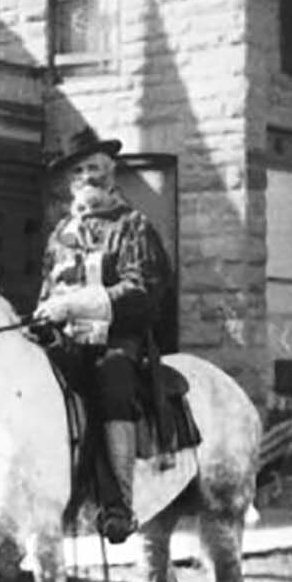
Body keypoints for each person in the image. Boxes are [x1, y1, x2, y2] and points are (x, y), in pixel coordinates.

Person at [32, 127, 172, 545]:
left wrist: (77, 304)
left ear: (111, 175)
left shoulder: (133, 227)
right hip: (65, 341)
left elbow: (144, 290)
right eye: (80, 170)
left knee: (111, 380)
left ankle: (118, 505)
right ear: (70, 181)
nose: (88, 176)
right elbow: (47, 292)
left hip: (116, 340)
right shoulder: (60, 235)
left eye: (96, 168)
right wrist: (44, 312)